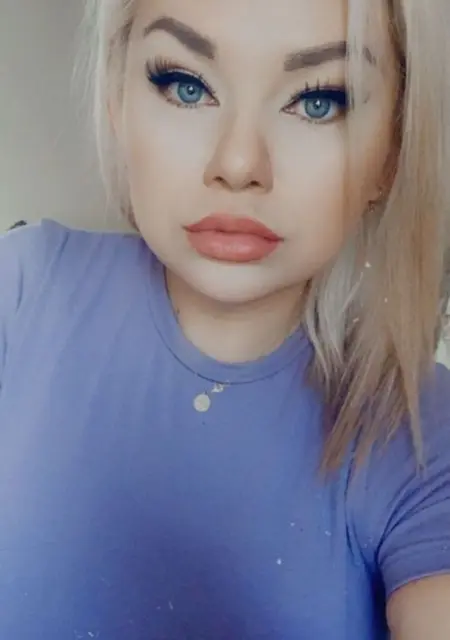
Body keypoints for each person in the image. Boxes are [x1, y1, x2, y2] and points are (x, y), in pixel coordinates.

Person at [1, 0, 450, 637]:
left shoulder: (421, 429)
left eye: (319, 101)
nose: (239, 165)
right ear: (116, 100)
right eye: (186, 86)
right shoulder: (20, 293)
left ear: (392, 149)